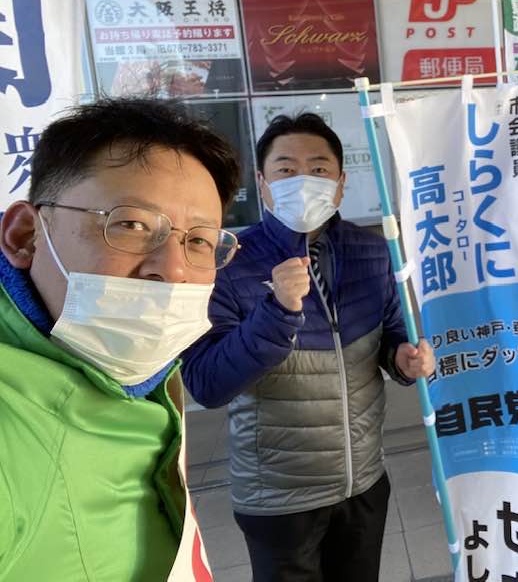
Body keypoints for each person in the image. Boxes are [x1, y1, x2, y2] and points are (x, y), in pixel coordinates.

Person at [181, 113, 435, 582]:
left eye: (319, 170)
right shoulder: (229, 263)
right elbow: (206, 384)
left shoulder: (373, 251)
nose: (303, 180)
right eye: (285, 169)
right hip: (278, 498)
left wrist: (402, 358)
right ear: (262, 183)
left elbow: (392, 332)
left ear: (340, 184)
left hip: (362, 483)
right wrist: (276, 311)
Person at [0, 100, 241, 581]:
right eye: (130, 224)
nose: (172, 270)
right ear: (26, 236)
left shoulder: (142, 383)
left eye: (198, 241)